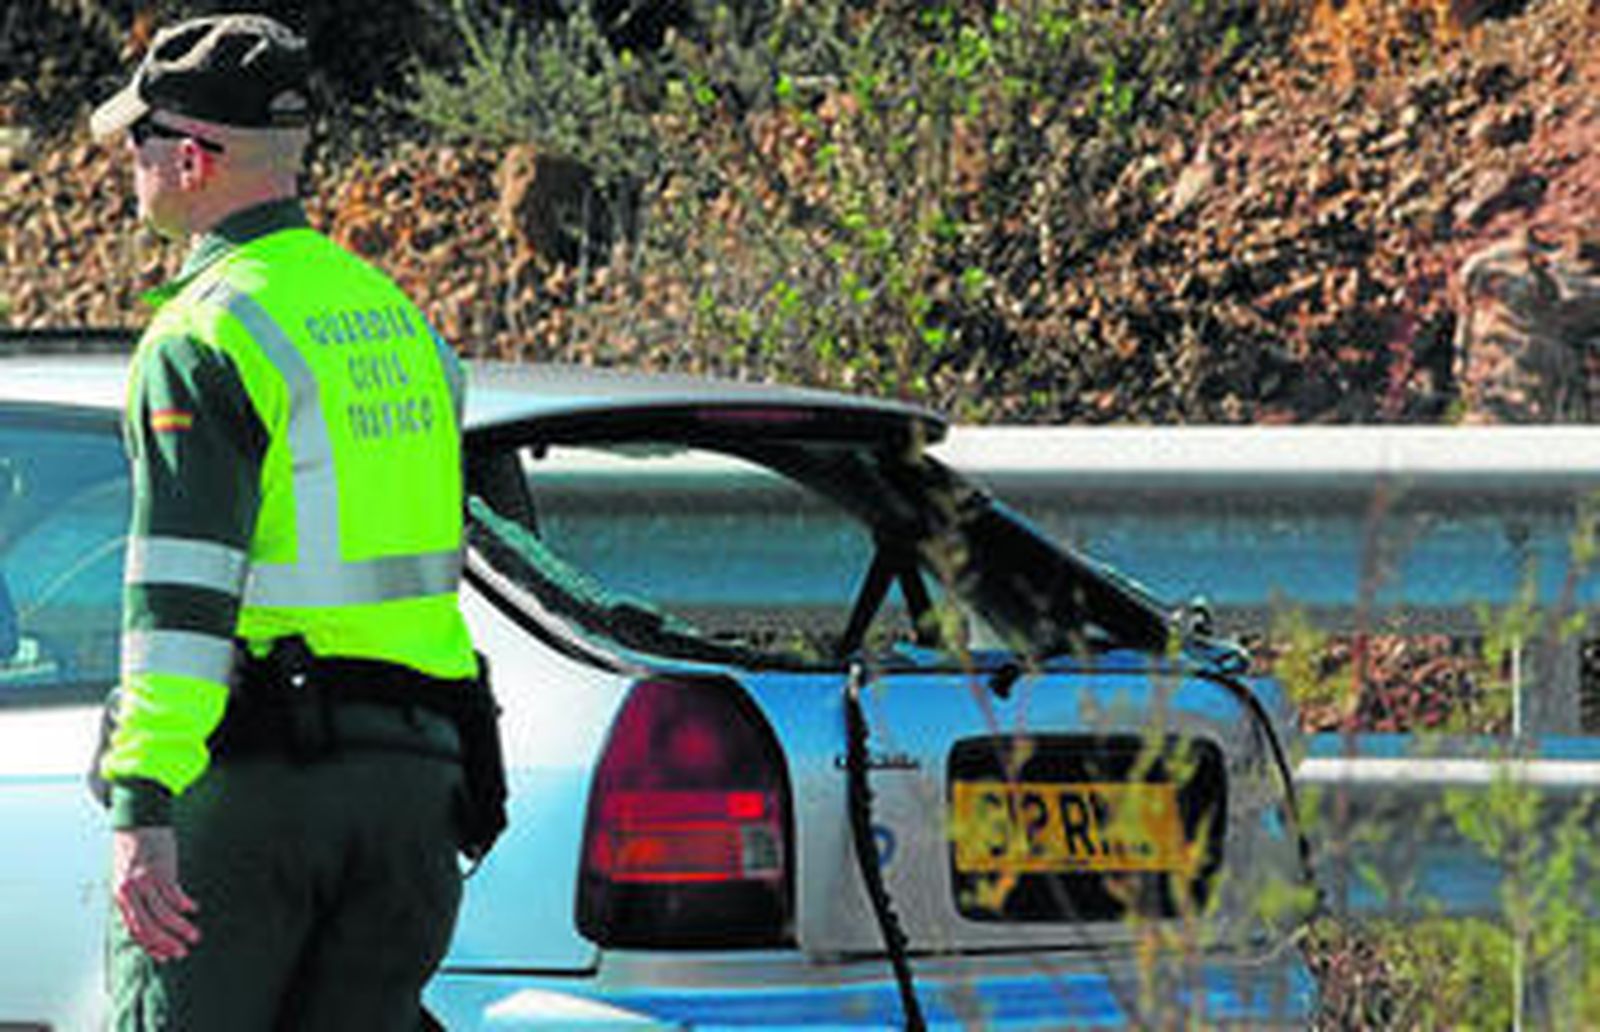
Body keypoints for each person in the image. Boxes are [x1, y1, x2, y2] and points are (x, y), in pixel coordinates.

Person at [90, 14, 491, 1029]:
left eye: (139, 141)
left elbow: (181, 593)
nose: (130, 163)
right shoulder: (399, 322)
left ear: (191, 158)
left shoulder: (205, 332)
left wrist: (143, 796)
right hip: (413, 790)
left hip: (261, 788)